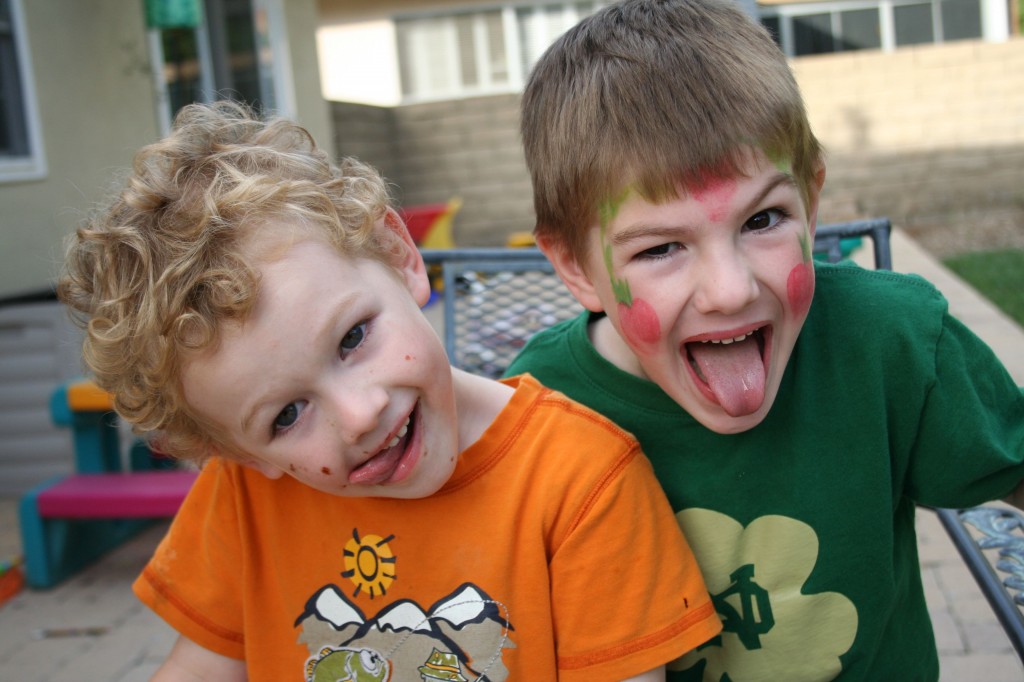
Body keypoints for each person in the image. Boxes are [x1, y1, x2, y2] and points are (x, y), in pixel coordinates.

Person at [58, 101, 721, 681]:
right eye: (287, 416)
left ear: (399, 255)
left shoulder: (580, 480)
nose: (359, 414)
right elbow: (202, 668)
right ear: (233, 451)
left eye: (351, 339)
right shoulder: (245, 495)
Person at [505, 0, 1024, 679]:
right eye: (661, 247)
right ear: (576, 267)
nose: (731, 289)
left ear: (811, 201)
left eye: (763, 221)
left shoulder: (889, 344)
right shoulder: (545, 412)